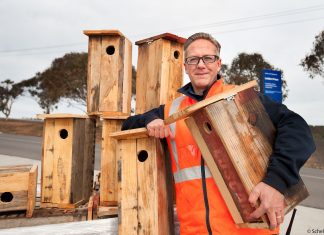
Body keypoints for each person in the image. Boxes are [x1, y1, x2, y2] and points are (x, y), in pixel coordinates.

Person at [122, 32, 316, 235]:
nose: (201, 64)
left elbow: (298, 129)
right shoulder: (172, 111)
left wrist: (276, 182)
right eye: (193, 59)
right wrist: (149, 120)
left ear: (218, 63)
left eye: (208, 58)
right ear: (185, 66)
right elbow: (127, 125)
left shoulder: (241, 98)